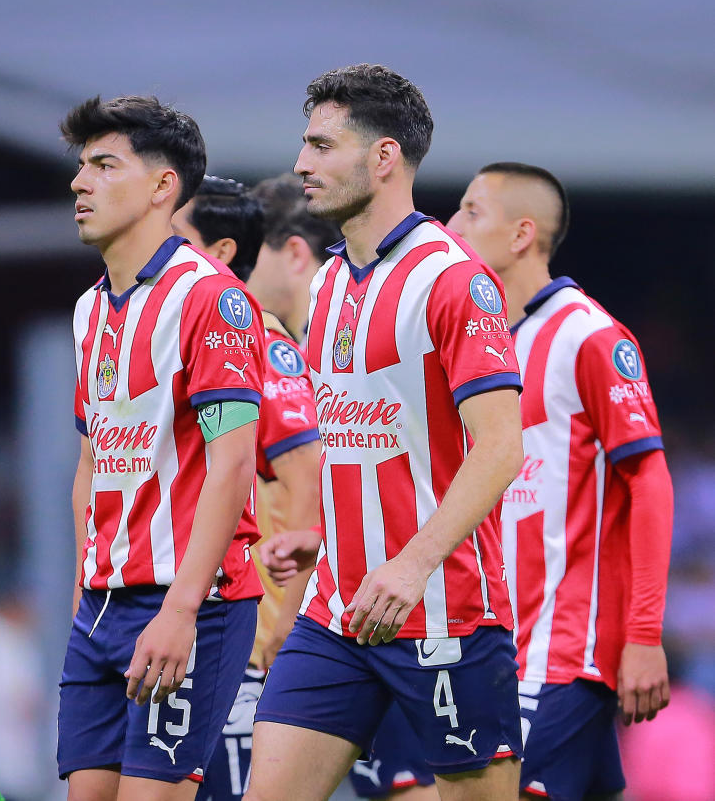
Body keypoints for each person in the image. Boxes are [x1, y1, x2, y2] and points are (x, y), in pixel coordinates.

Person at [247, 64, 525, 801]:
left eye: (322, 145)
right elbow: (360, 441)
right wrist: (328, 536)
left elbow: (502, 448)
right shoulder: (331, 283)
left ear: (383, 156)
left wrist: (409, 565)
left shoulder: (452, 280)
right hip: (336, 617)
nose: (302, 163)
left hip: (445, 612)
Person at [58, 95, 264, 801]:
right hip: (102, 607)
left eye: (103, 165)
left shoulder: (212, 298)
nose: (80, 183)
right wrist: (85, 584)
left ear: (161, 186)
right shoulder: (90, 309)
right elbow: (92, 457)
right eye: (80, 167)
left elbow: (233, 463)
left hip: (189, 601)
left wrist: (179, 610)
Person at [448, 162, 674, 801]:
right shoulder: (486, 346)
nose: (450, 227)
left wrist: (644, 636)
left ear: (522, 235)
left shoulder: (588, 336)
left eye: (471, 212)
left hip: (563, 651)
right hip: (501, 646)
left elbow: (649, 482)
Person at [250, 176, 437, 801]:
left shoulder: (302, 348)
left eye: (253, 255)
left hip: (406, 607)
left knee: (407, 787)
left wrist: (284, 612)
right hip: (337, 610)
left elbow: (317, 476)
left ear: (294, 253)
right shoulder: (315, 340)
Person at [169, 176, 322, 801]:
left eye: (177, 239)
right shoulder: (189, 333)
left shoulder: (258, 337)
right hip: (202, 625)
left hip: (250, 633)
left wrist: (287, 621)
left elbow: (306, 466)